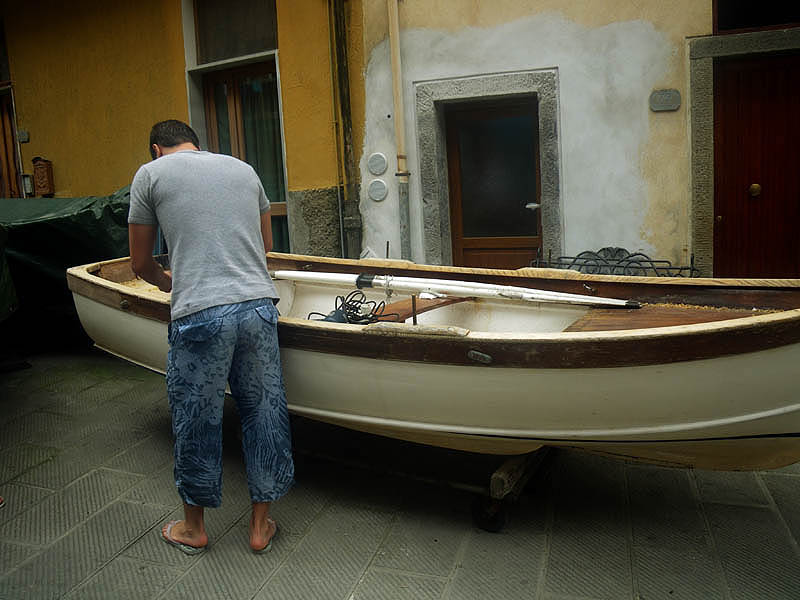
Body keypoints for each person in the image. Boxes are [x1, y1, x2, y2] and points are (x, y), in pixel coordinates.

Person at [128, 119, 294, 555]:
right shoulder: (244, 169)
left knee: (197, 418)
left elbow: (139, 263)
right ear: (199, 146)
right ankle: (261, 526)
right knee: (264, 412)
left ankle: (194, 528)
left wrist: (168, 282)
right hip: (258, 305)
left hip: (200, 312)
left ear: (155, 148)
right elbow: (264, 245)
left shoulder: (151, 174)